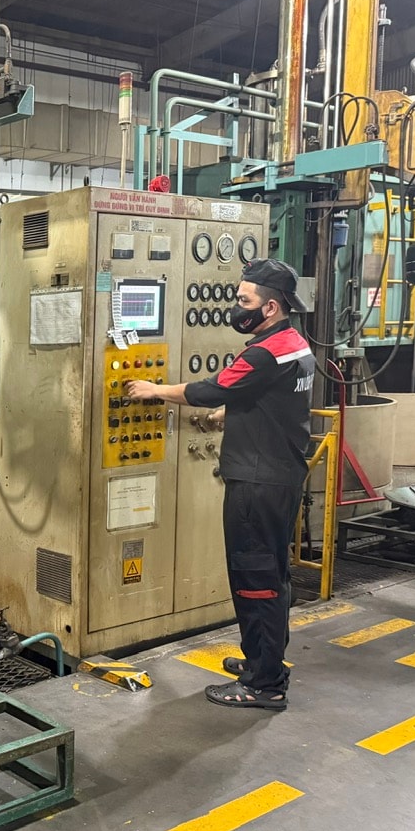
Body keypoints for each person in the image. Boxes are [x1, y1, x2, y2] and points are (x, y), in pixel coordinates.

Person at [126, 258, 313, 711]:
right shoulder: (294, 344)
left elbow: (211, 389)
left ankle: (264, 685)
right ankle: (264, 660)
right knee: (273, 576)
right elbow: (274, 400)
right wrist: (235, 413)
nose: (236, 306)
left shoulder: (263, 353)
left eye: (244, 300)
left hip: (256, 484)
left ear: (271, 307)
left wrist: (155, 389)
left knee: (254, 579)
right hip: (282, 477)